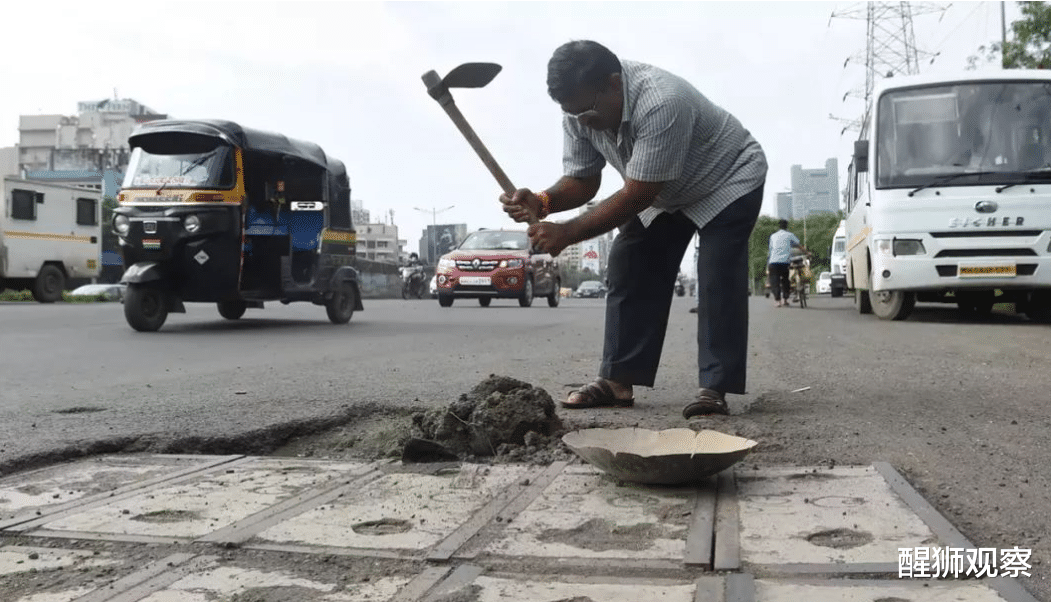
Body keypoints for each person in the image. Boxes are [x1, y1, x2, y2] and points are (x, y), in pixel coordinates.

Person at [500, 40, 767, 418]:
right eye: (571, 114)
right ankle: (617, 381)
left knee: (716, 276)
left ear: (613, 83)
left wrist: (567, 232)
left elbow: (639, 193)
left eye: (587, 113)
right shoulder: (579, 111)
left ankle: (714, 388)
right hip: (666, 189)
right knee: (630, 262)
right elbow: (583, 179)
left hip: (726, 179)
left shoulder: (662, 101)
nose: (581, 123)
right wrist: (542, 202)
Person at [767, 219, 806, 308]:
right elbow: (798, 245)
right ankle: (785, 299)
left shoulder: (773, 236)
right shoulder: (789, 235)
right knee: (785, 280)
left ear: (778, 227)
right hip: (785, 262)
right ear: (786, 226)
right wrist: (807, 253)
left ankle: (777, 301)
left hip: (773, 262)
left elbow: (770, 251)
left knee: (775, 281)